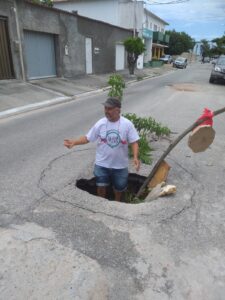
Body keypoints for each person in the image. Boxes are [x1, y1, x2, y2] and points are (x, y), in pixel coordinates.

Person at [64, 97, 140, 201]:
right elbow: (88, 138)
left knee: (119, 188)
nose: (106, 111)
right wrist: (74, 142)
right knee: (100, 185)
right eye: (105, 108)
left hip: (120, 165)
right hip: (102, 164)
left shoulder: (127, 124)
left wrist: (135, 157)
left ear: (118, 110)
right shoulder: (100, 123)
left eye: (109, 109)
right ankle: (101, 203)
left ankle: (116, 204)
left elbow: (134, 141)